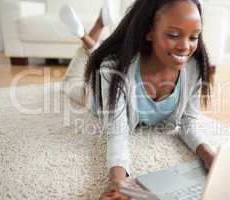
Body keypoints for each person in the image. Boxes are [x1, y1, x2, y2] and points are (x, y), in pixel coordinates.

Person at [83, 0, 216, 199]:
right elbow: (117, 132)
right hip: (95, 96)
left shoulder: (193, 67)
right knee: (72, 81)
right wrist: (119, 182)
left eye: (194, 36)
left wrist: (210, 156)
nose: (185, 47)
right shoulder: (112, 70)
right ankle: (91, 33)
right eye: (173, 35)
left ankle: (90, 40)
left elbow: (188, 123)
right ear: (149, 31)